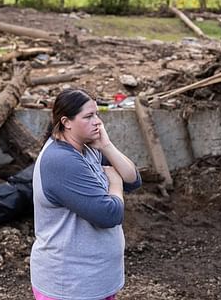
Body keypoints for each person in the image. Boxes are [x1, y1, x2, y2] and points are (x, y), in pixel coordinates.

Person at [30, 88, 142, 300]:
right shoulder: (61, 160)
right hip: (70, 285)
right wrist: (114, 184)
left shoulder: (87, 149)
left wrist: (106, 146)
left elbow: (133, 179)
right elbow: (109, 214)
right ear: (66, 122)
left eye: (97, 114)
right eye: (89, 116)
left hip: (94, 278)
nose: (97, 121)